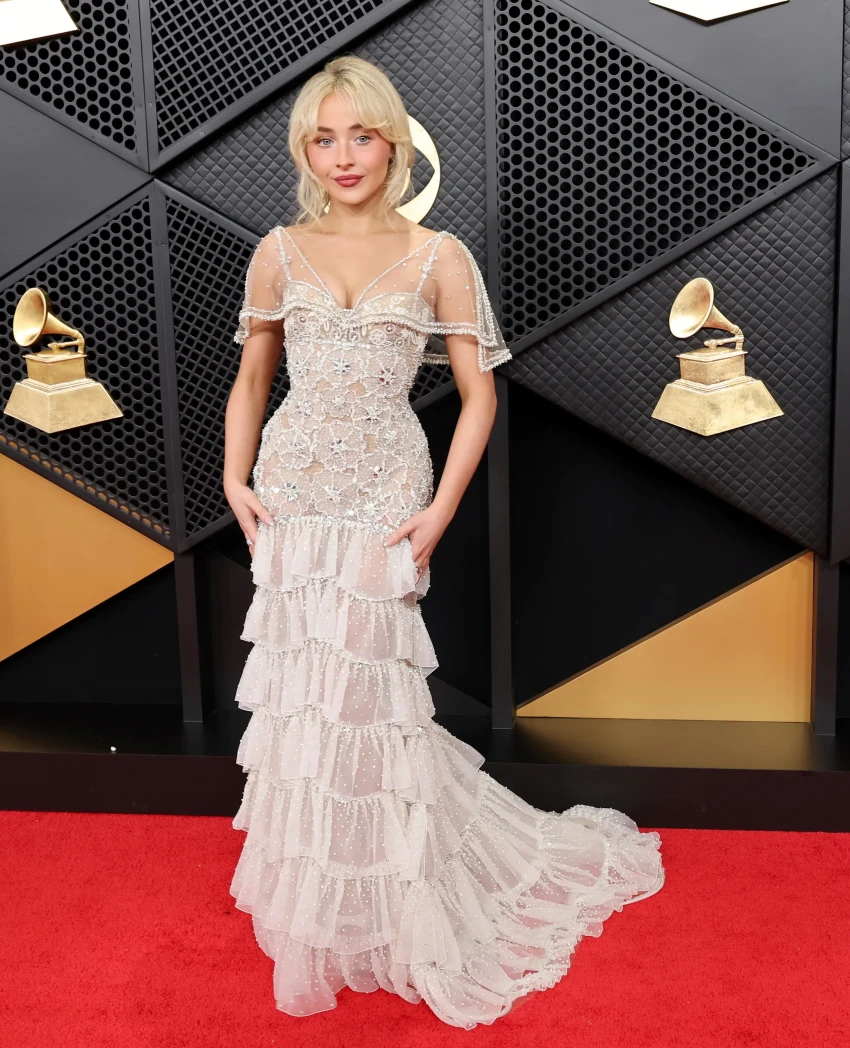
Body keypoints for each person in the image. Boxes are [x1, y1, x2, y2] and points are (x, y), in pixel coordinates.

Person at [222, 53, 664, 1030]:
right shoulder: (278, 251)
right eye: (324, 138)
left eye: (361, 135)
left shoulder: (438, 256)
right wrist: (231, 477)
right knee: (303, 691)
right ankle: (325, 907)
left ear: (393, 143)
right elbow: (253, 378)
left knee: (371, 697)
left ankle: (393, 897)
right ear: (305, 150)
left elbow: (478, 396)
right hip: (292, 489)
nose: (344, 155)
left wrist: (442, 508)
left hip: (388, 490)